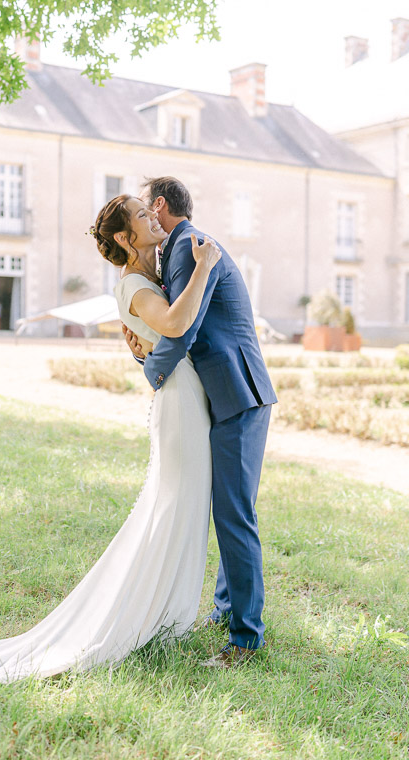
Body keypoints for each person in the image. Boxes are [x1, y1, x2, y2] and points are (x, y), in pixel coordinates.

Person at [0, 195, 222, 682]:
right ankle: (148, 616)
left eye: (152, 212)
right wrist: (205, 267)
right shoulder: (132, 286)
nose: (154, 218)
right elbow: (174, 323)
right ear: (126, 239)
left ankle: (169, 614)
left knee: (182, 507)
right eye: (143, 217)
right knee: (173, 506)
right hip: (180, 404)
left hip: (186, 395)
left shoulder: (153, 276)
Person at [127, 176, 277, 667]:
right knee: (229, 509)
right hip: (224, 394)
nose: (147, 218)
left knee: (234, 514)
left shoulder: (189, 246)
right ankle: (226, 609)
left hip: (238, 393)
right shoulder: (181, 249)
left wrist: (152, 369)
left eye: (149, 209)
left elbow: (182, 325)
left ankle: (245, 640)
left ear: (161, 205)